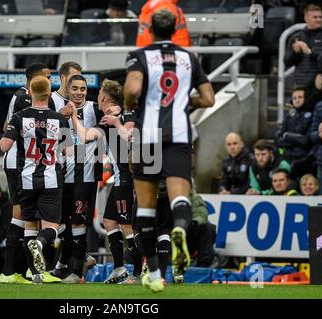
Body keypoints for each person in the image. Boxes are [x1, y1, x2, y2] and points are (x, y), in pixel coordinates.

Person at [124, 9, 214, 292]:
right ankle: (179, 230)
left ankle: (151, 271)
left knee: (147, 207)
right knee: (179, 199)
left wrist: (131, 107)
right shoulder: (189, 58)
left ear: (150, 29)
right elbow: (209, 98)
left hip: (149, 134)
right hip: (178, 135)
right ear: (175, 29)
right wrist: (185, 104)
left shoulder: (140, 55)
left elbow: (133, 88)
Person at [0, 75, 72, 284]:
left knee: (29, 225)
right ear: (50, 94)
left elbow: (4, 146)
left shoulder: (20, 116)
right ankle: (41, 244)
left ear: (30, 93)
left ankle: (36, 274)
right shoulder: (60, 119)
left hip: (26, 179)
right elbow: (68, 151)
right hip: (50, 178)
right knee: (52, 226)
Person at [70, 79, 142, 284]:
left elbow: (84, 136)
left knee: (127, 227)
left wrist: (74, 115)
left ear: (103, 97)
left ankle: (138, 272)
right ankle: (119, 268)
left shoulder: (108, 118)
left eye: (99, 92)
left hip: (124, 180)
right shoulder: (123, 113)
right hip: (122, 178)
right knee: (109, 221)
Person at [0, 62, 51, 284]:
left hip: (24, 162)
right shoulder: (24, 98)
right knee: (21, 216)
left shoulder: (19, 96)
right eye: (47, 77)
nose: (50, 81)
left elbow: (5, 125)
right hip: (18, 162)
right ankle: (10, 272)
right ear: (34, 80)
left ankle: (27, 271)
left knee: (28, 216)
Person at [54, 74, 104, 284]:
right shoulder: (60, 111)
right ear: (68, 88)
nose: (79, 92)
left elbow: (111, 119)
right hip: (61, 175)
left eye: (83, 89)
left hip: (86, 174)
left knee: (77, 221)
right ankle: (79, 259)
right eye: (75, 88)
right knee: (61, 223)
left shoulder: (94, 108)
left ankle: (76, 273)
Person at [284, 4, 322, 87]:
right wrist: (296, 53)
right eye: (315, 17)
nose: (319, 20)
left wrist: (309, 51)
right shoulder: (296, 37)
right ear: (306, 18)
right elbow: (287, 62)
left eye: (320, 17)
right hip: (300, 85)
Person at [275, 87, 314, 179]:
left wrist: (287, 136)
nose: (297, 100)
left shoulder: (313, 114)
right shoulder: (289, 115)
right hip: (287, 158)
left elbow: (306, 141)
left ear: (306, 98)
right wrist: (295, 138)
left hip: (304, 159)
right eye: (294, 98)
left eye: (300, 97)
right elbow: (277, 138)